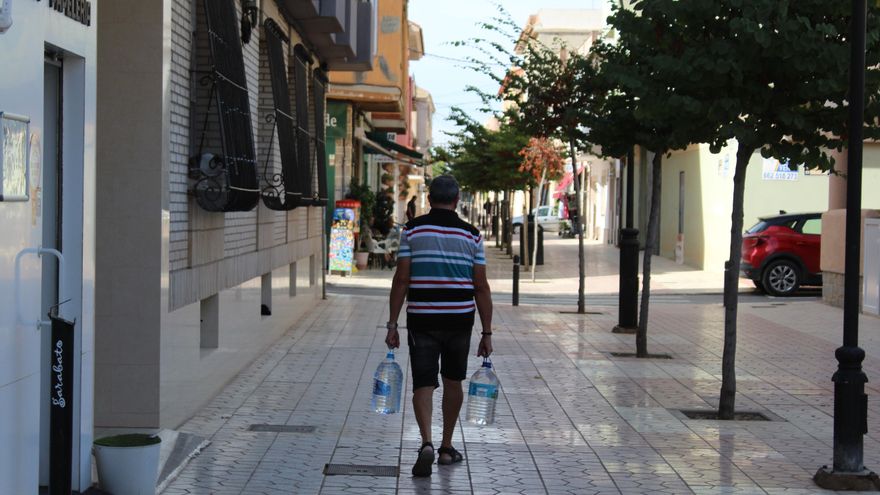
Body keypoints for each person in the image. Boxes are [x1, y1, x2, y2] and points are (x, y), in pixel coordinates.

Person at [385, 175, 494, 477]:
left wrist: (392, 324)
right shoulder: (472, 235)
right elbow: (481, 287)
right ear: (457, 200)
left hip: (422, 319)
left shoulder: (413, 230)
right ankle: (447, 447)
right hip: (459, 320)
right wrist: (486, 332)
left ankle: (427, 443)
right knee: (452, 381)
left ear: (429, 200)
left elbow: (402, 279)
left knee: (423, 382)